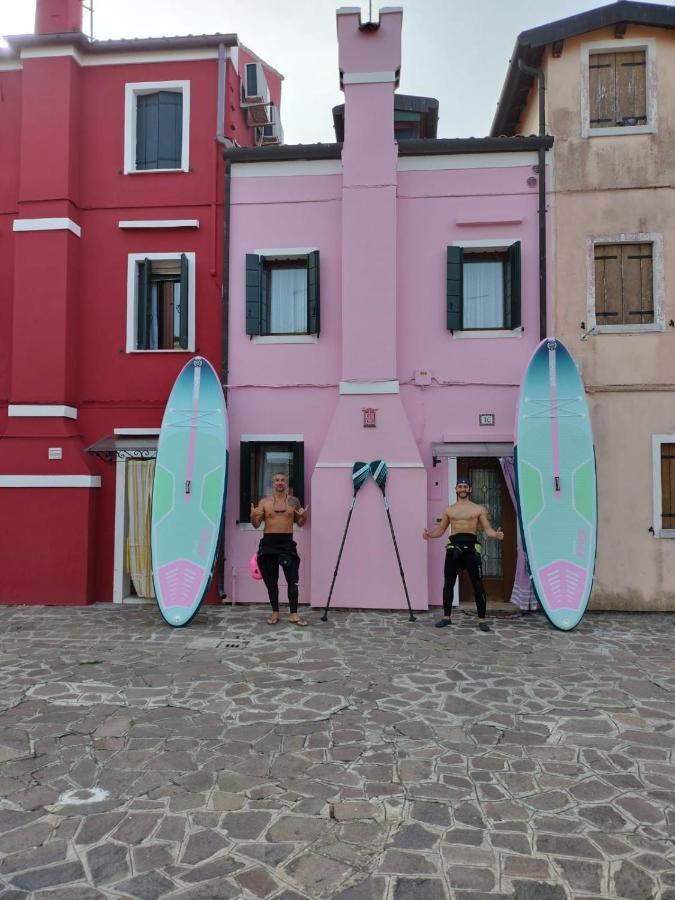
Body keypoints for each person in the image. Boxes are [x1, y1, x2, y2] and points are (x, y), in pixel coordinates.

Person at [423, 477, 504, 633]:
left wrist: (496, 535)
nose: (462, 489)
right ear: (456, 489)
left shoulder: (478, 509)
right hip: (454, 549)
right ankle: (446, 617)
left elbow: (487, 529)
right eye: (460, 486)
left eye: (465, 487)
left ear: (470, 489)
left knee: (477, 585)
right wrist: (430, 535)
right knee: (448, 583)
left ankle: (482, 620)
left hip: (471, 549)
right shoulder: (449, 510)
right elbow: (441, 530)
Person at [250, 472, 309, 626]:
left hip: (287, 544)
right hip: (269, 544)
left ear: (286, 483)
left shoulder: (294, 501)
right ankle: (275, 611)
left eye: (283, 480)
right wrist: (252, 516)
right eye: (277, 480)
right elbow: (256, 525)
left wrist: (304, 516)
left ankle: (294, 614)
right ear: (273, 483)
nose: (280, 482)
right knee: (271, 581)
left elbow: (300, 522)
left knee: (292, 579)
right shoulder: (264, 502)